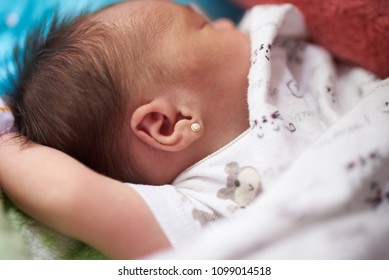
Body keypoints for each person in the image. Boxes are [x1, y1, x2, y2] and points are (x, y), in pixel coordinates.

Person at [1, 0, 387, 260]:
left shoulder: (286, 57)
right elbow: (65, 193)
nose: (224, 22)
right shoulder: (200, 207)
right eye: (202, 26)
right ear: (170, 124)